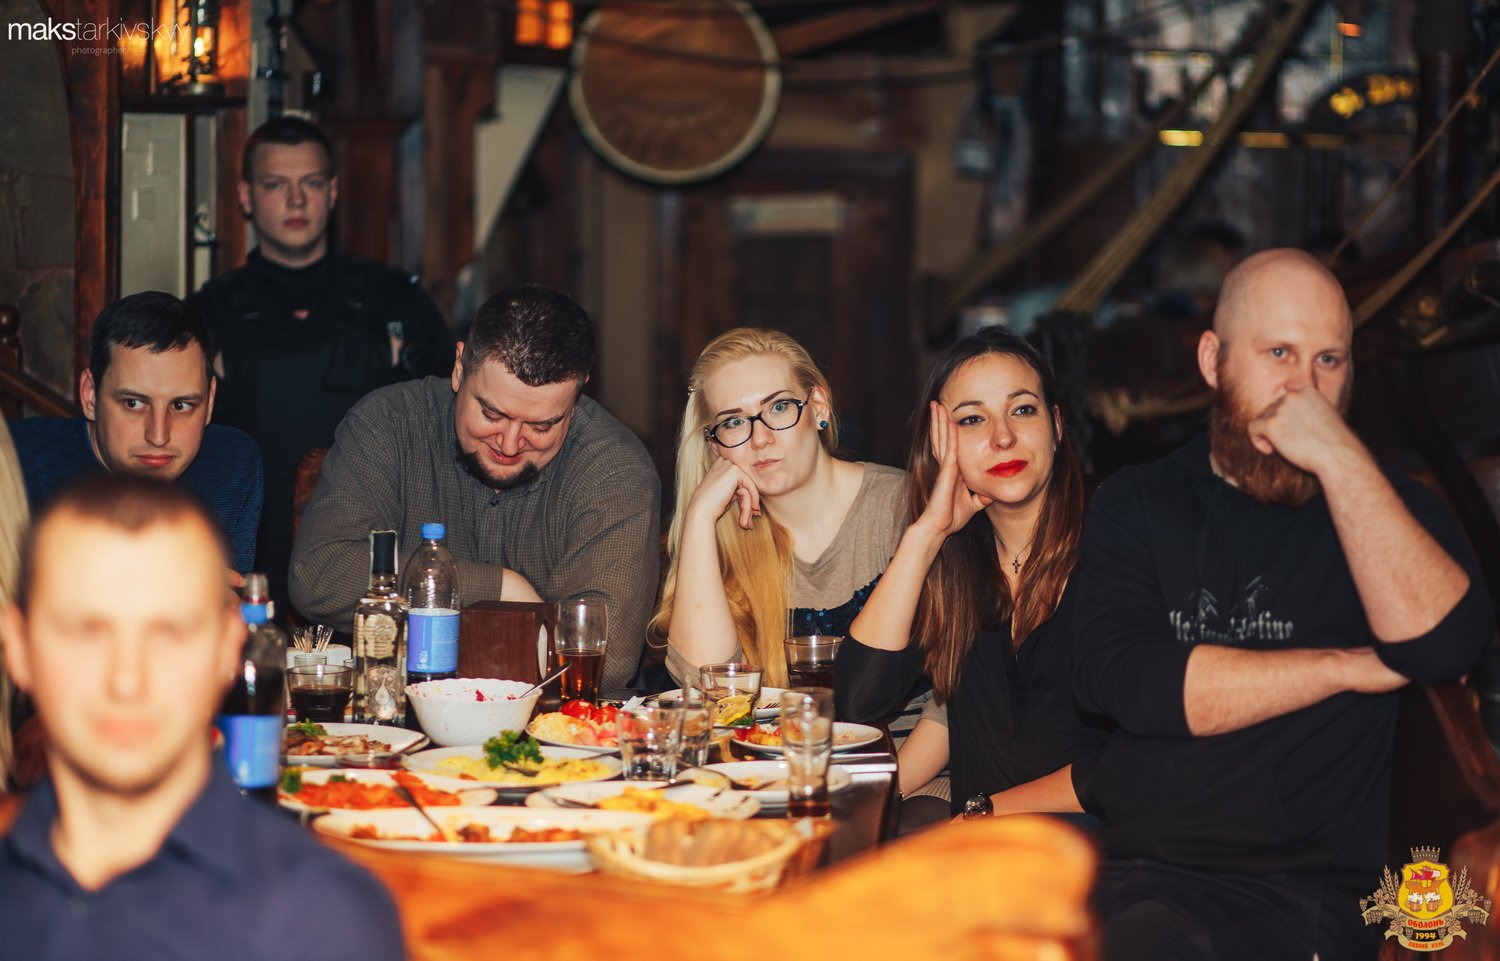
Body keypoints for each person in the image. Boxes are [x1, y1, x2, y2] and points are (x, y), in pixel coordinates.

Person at [1070, 249, 1491, 961]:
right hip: (1122, 873)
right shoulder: (1138, 500)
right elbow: (1127, 682)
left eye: (1329, 360)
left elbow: (1446, 645)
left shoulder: (1391, 514)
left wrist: (1339, 459)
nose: (1304, 388)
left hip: (1291, 898)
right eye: (1278, 354)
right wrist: (1340, 667)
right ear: (1213, 360)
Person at [0, 475, 402, 960]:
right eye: (86, 631)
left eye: (169, 633)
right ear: (17, 648)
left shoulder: (320, 921)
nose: (127, 681)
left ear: (228, 649)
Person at [290, 284, 659, 692]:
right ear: (459, 367)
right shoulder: (388, 425)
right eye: (492, 414)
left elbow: (607, 658)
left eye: (541, 426)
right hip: (394, 714)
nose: (510, 444)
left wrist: (429, 612)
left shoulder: (613, 468)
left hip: (557, 726)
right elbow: (319, 578)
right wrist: (500, 589)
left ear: (578, 392)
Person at [835, 327, 1106, 821]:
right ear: (942, 443)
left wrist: (986, 813)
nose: (1002, 437)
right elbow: (860, 699)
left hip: (1098, 847)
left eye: (1022, 410)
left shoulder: (1116, 542)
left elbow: (1140, 756)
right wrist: (928, 533)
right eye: (972, 419)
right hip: (981, 851)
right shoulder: (955, 561)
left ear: (1056, 425)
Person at [187, 116, 453, 609]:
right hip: (248, 555)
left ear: (331, 193)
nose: (296, 200)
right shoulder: (208, 313)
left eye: (309, 183)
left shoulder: (394, 301)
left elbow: (449, 419)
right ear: (246, 196)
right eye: (275, 185)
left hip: (375, 559)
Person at [651, 329, 907, 691]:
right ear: (715, 447)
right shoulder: (718, 541)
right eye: (733, 422)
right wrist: (699, 518)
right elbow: (706, 688)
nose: (761, 439)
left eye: (779, 407)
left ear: (818, 406)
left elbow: (959, 683)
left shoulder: (901, 506)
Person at [10, 291, 261, 575]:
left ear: (210, 400)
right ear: (90, 395)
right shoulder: (17, 464)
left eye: (180, 406)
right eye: (133, 404)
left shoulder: (229, 464)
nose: (158, 436)